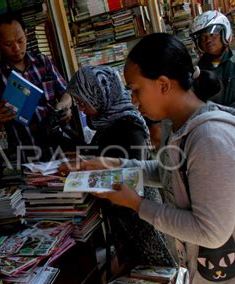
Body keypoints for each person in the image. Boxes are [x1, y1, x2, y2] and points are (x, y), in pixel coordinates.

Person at [62, 33, 235, 284]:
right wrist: (115, 166)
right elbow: (167, 173)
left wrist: (137, 204)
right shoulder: (178, 128)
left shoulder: (210, 139)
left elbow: (210, 232)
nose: (133, 99)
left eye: (136, 89)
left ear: (163, 84)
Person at [66, 65, 176, 268]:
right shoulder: (105, 122)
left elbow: (131, 178)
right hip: (125, 215)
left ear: (100, 94)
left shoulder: (128, 127)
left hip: (140, 219)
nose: (80, 108)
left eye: (83, 101)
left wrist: (79, 180)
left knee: (156, 272)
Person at [0, 11, 73, 161]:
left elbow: (68, 92)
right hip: (30, 156)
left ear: (26, 35)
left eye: (20, 40)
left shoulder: (43, 62)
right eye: (8, 44)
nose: (17, 48)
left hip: (63, 149)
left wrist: (64, 106)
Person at [190, 10, 235, 116]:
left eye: (212, 35)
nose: (208, 40)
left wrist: (228, 118)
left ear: (224, 33)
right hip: (209, 125)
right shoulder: (196, 70)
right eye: (202, 37)